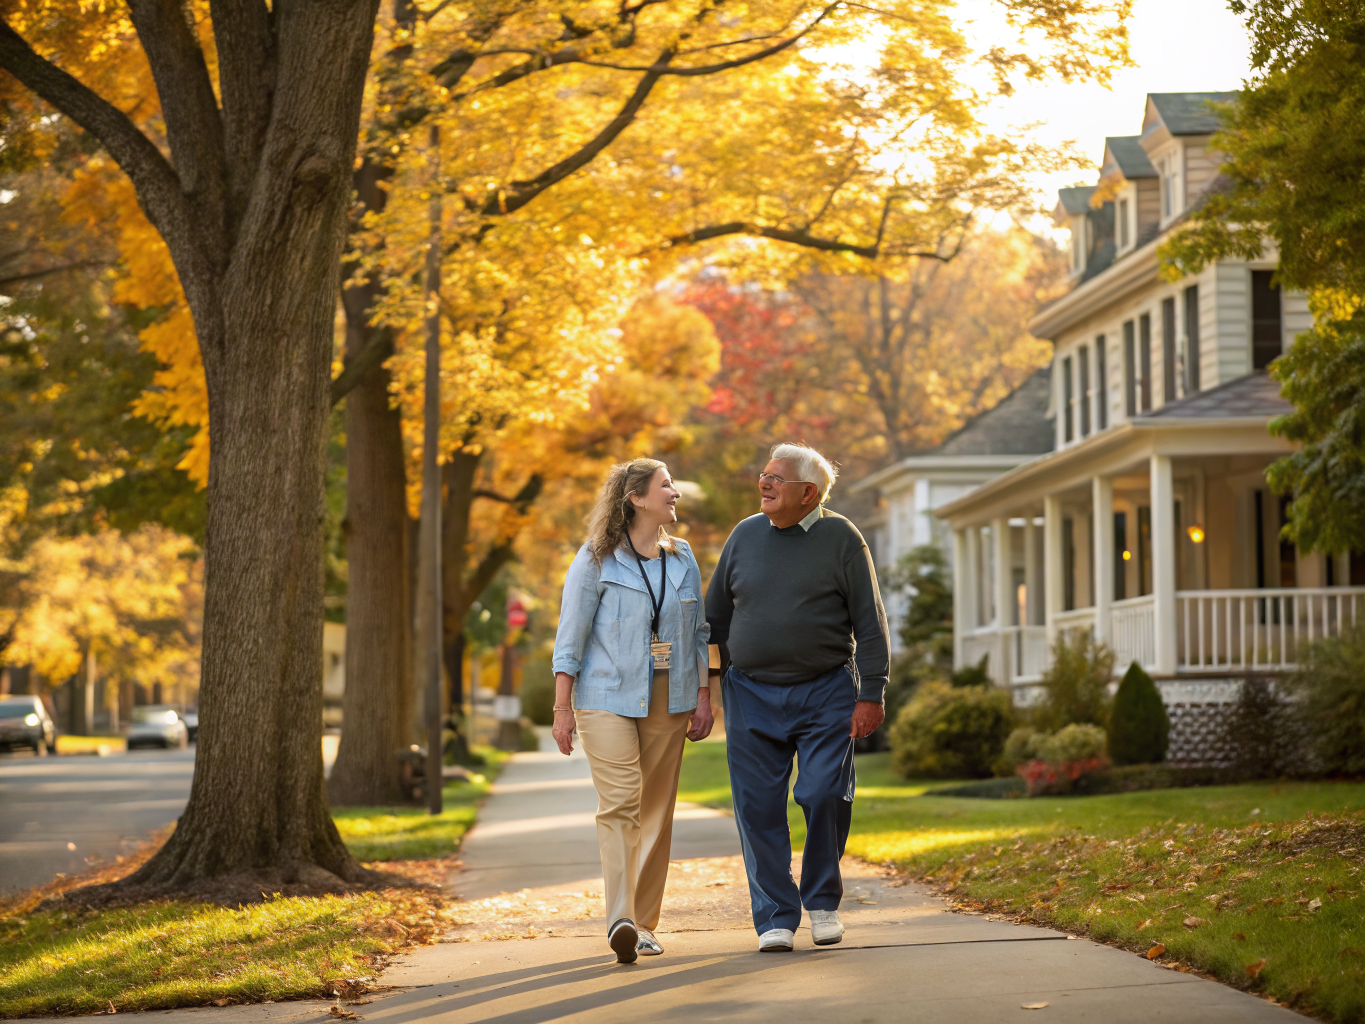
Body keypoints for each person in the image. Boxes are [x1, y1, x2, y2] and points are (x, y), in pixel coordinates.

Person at [705, 442, 889, 952]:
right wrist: (707, 690)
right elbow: (714, 620)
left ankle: (823, 903)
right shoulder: (744, 535)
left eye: (776, 478)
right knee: (757, 806)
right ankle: (775, 917)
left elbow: (871, 623)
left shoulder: (842, 538)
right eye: (764, 474)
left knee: (824, 792)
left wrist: (871, 693)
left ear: (808, 493)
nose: (764, 483)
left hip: (826, 690)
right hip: (750, 692)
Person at [551, 458, 714, 964]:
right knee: (622, 802)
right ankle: (620, 917)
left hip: (671, 697)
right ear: (636, 498)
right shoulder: (595, 558)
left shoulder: (682, 557)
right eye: (666, 485)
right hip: (606, 697)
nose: (675, 493)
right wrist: (561, 707)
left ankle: (642, 924)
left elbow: (700, 633)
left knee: (657, 811)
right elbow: (571, 636)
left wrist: (704, 696)